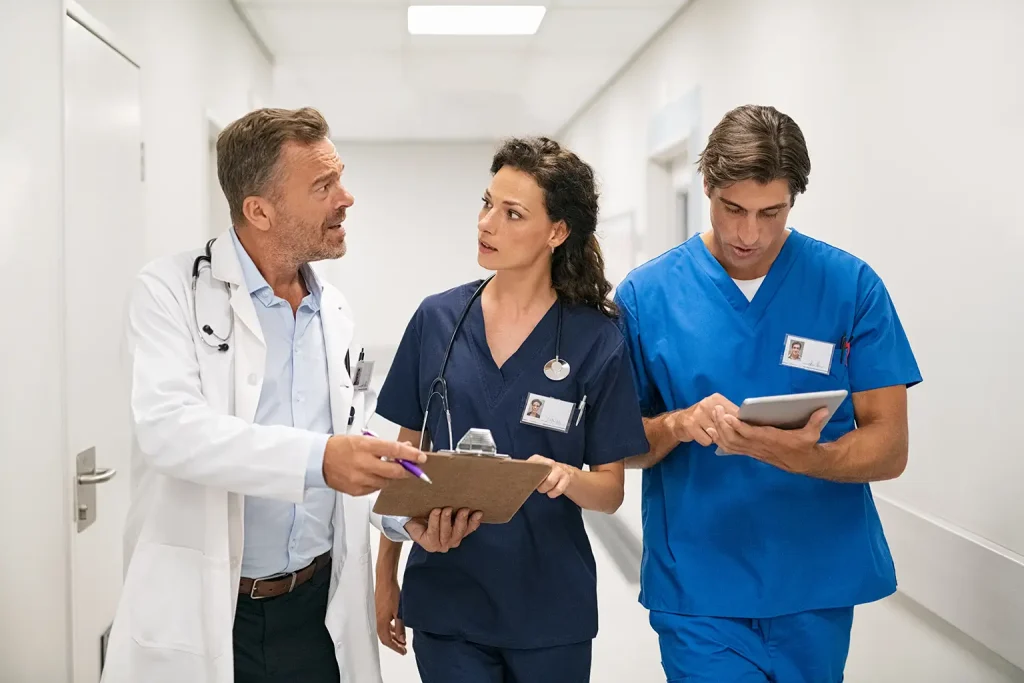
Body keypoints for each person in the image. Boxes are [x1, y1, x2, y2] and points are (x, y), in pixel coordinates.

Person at [100, 107, 459, 683]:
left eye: (339, 176)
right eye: (323, 186)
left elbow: (349, 445)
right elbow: (170, 431)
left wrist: (400, 518)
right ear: (259, 210)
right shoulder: (168, 292)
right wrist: (320, 458)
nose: (347, 197)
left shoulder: (333, 312)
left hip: (314, 612)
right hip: (211, 610)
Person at [614, 105, 922, 683]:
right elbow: (620, 446)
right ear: (706, 185)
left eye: (769, 212)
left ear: (793, 201)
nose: (748, 233)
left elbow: (890, 445)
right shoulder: (646, 295)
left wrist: (813, 457)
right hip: (699, 582)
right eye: (732, 209)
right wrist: (677, 424)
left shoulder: (850, 287)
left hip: (815, 581)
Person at [372, 137, 650, 683]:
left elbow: (610, 491)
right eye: (486, 204)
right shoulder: (437, 321)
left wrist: (560, 476)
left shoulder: (597, 338)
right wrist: (387, 572)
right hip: (447, 595)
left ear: (557, 232)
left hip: (548, 607)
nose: (486, 223)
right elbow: (405, 459)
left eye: (512, 213)